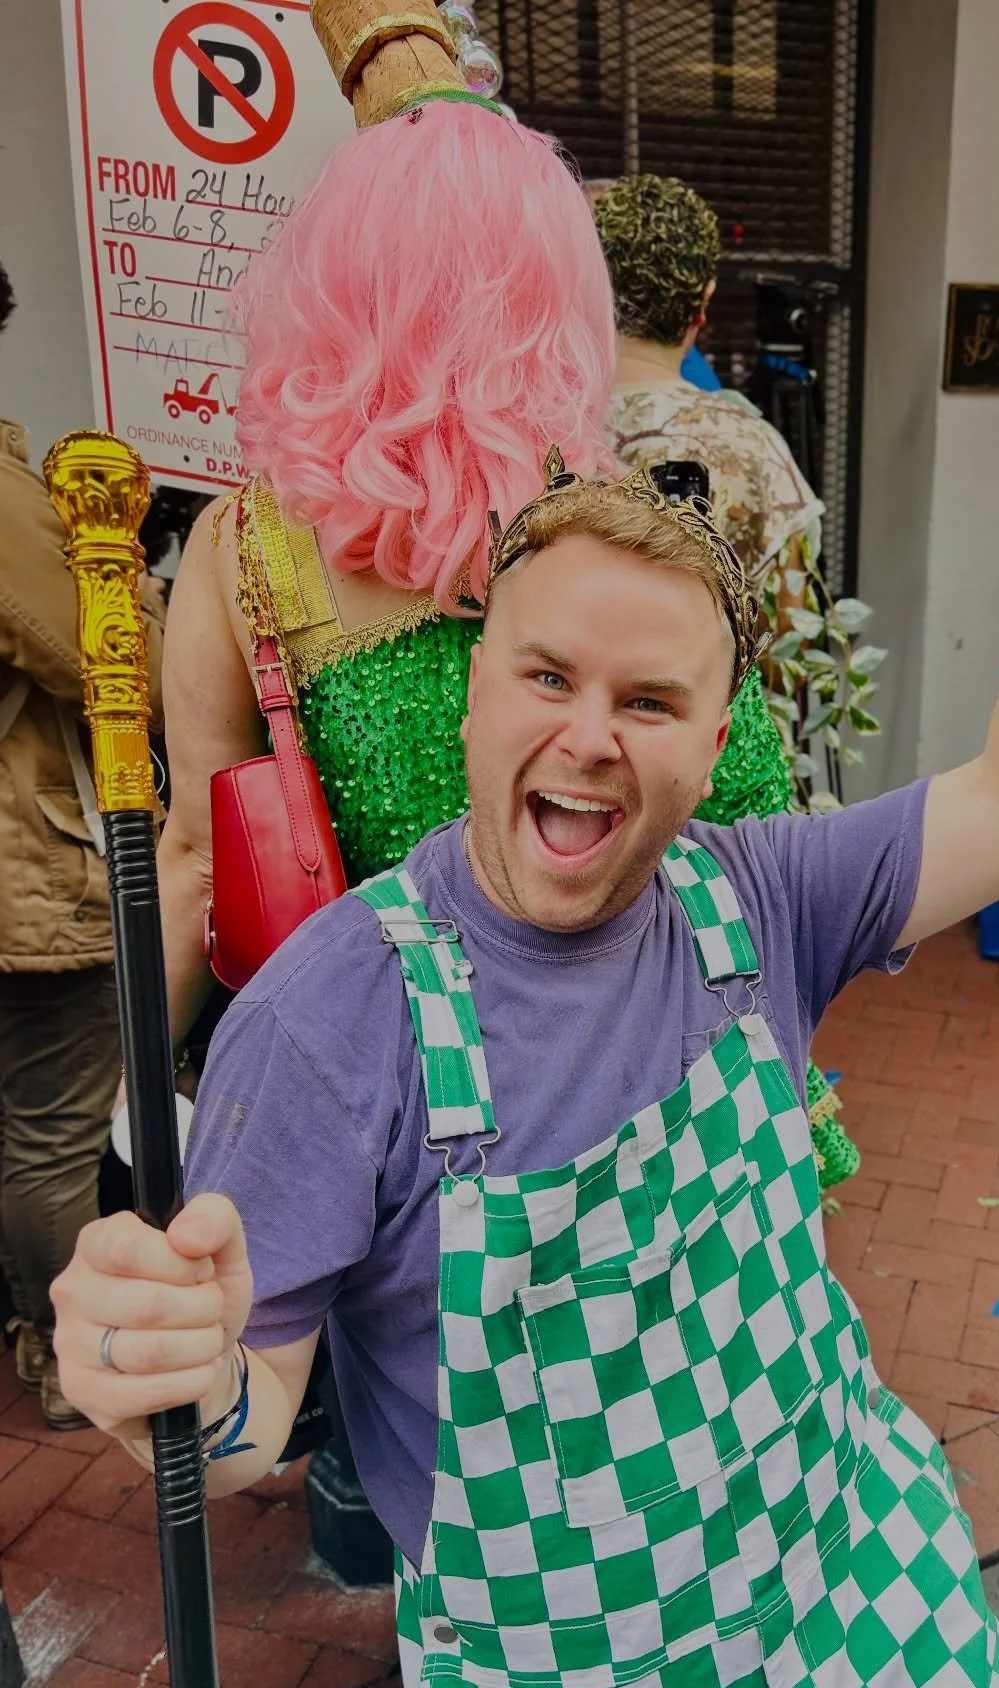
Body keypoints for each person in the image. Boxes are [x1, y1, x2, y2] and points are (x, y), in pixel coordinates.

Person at [52, 254, 999, 1688]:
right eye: (549, 676)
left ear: (717, 736)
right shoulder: (333, 1015)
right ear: (476, 689)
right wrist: (162, 1376)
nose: (592, 736)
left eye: (651, 700)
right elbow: (242, 1419)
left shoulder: (761, 901)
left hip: (865, 1609)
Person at [154, 3, 618, 1051]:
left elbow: (198, 864)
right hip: (614, 1064)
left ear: (335, 279)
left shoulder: (245, 544)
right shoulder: (618, 526)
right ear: (552, 283)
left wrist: (125, 1097)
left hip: (377, 1079)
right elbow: (747, 815)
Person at [593, 171, 859, 1190]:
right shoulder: (746, 445)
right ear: (701, 305)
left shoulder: (534, 434)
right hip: (718, 784)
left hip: (579, 774)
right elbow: (790, 639)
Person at [0, 259, 164, 1427]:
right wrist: (138, 577)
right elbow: (122, 669)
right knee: (52, 1136)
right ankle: (62, 1355)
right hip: (34, 875)